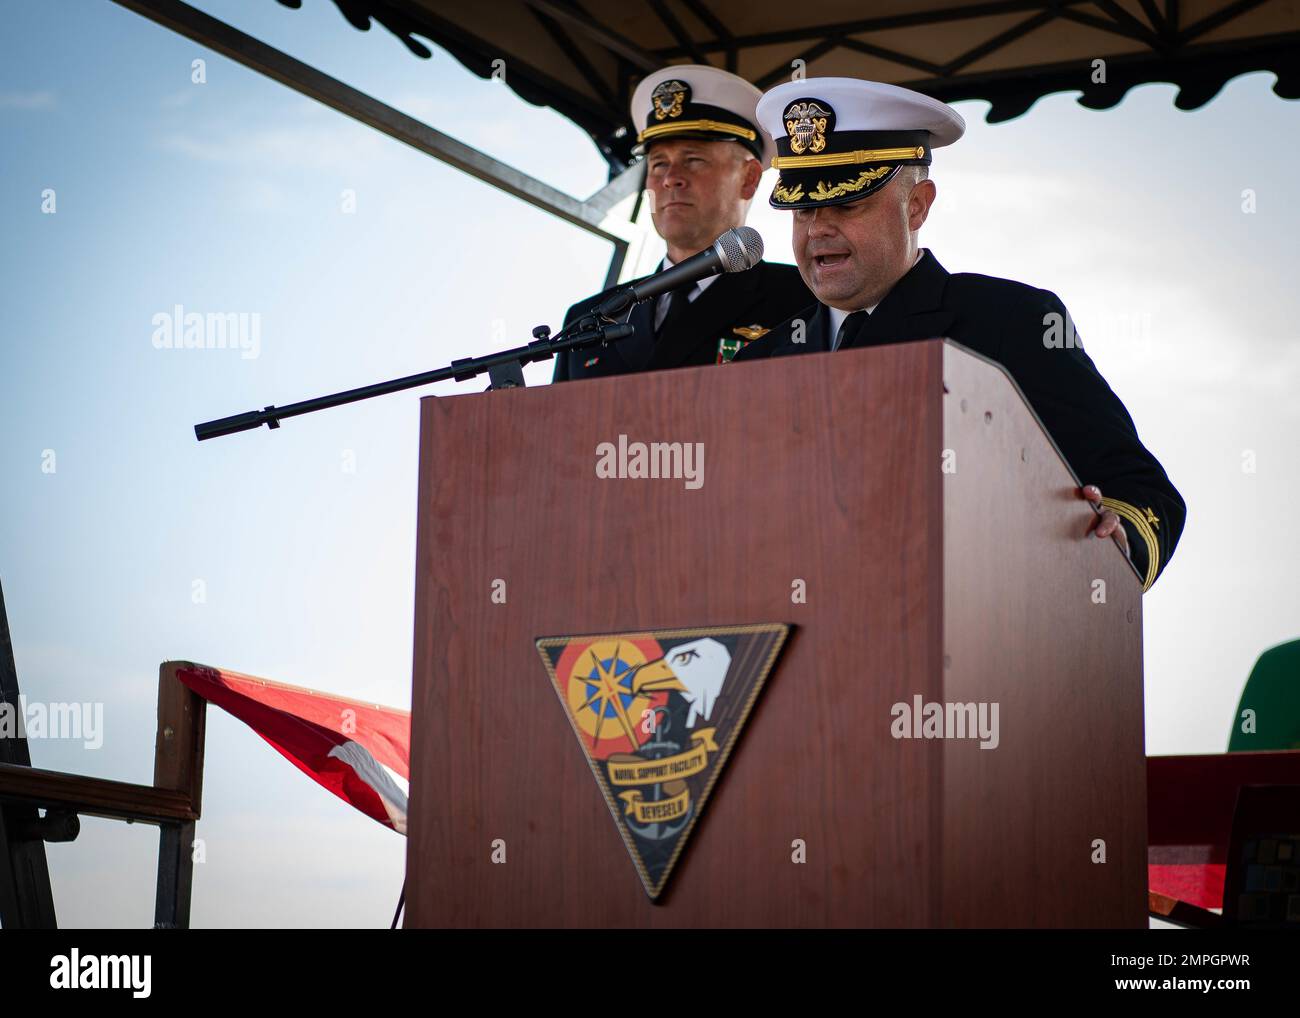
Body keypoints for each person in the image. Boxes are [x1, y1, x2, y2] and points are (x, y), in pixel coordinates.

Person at [733, 78, 1184, 591]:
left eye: (845, 204)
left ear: (918, 205)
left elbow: (1141, 493)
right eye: (804, 208)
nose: (817, 229)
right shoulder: (759, 363)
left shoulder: (1009, 323)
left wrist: (1111, 543)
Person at [552, 65, 812, 382]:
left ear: (749, 178)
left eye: (694, 160)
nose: (671, 179)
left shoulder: (804, 301)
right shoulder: (589, 320)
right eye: (659, 164)